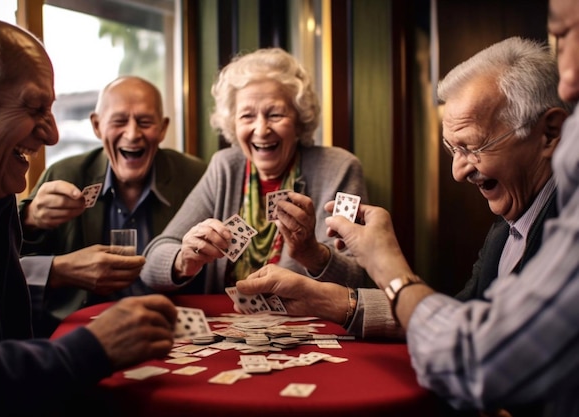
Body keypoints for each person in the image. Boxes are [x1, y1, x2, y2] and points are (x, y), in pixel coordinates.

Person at [235, 29, 579, 416]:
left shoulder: (567, 228)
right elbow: (460, 317)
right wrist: (326, 301)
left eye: (472, 147)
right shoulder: (509, 223)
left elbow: (475, 358)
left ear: (550, 133)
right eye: (453, 149)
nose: (457, 171)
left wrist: (387, 265)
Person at [0, 16, 177, 415]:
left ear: (162, 129)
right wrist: (85, 350)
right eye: (35, 107)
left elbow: (6, 346)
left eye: (145, 122)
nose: (52, 134)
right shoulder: (44, 182)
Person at [140, 47, 371, 294]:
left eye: (275, 114)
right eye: (247, 116)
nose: (261, 130)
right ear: (233, 123)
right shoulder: (225, 168)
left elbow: (358, 278)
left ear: (299, 119)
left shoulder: (338, 168)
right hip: (230, 327)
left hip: (308, 327)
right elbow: (150, 264)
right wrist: (182, 260)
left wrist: (311, 253)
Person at [17, 76, 207, 336]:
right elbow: (10, 264)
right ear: (97, 126)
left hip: (173, 329)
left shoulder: (196, 176)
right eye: (119, 121)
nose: (132, 134)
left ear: (162, 129)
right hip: (82, 332)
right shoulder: (65, 173)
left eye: (145, 121)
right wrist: (30, 220)